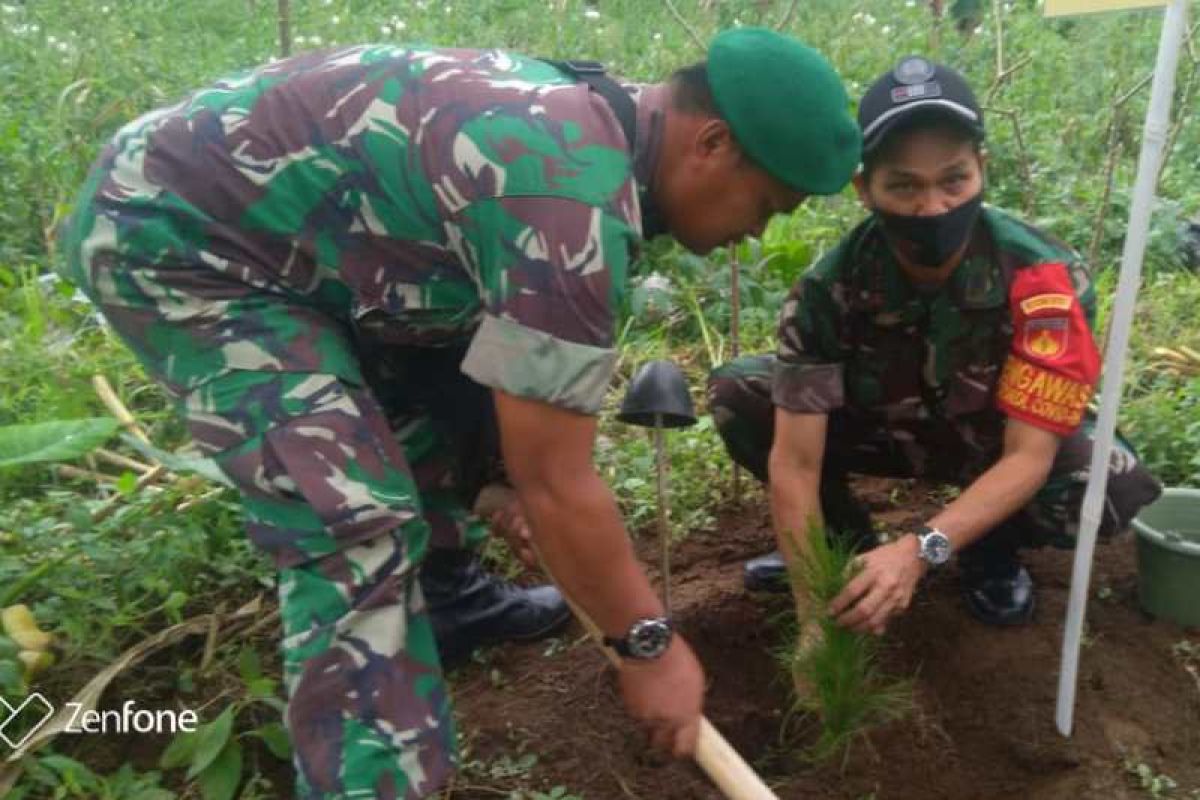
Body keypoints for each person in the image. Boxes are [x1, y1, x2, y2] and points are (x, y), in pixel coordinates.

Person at [58, 30, 861, 799]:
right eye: (766, 206)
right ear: (712, 144)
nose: (755, 235)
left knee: (454, 364)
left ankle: (447, 601)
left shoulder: (601, 122)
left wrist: (495, 480)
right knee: (353, 523)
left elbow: (507, 371)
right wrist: (647, 645)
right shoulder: (563, 195)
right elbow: (559, 481)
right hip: (180, 237)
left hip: (314, 243)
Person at [708, 56, 1162, 639]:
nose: (933, 208)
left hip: (990, 443)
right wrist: (810, 611)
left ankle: (988, 546)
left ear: (982, 171)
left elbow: (1029, 455)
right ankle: (844, 550)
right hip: (881, 426)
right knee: (740, 393)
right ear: (864, 189)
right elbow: (795, 463)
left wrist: (922, 549)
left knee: (1105, 484)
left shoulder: (1043, 278)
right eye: (903, 185)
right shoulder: (828, 288)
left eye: (954, 180)